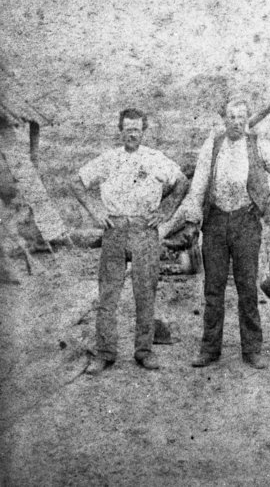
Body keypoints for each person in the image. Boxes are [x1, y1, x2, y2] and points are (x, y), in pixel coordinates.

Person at [71, 108, 188, 373]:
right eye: (127, 129)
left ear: (143, 131)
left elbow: (181, 182)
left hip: (144, 229)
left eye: (136, 129)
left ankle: (144, 351)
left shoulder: (156, 159)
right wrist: (95, 211)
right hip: (114, 229)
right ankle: (105, 352)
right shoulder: (108, 159)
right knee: (108, 294)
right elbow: (77, 182)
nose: (132, 134)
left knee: (145, 293)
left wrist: (166, 211)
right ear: (120, 130)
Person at [183, 98, 270, 369]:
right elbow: (199, 184)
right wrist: (194, 216)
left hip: (246, 221)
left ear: (247, 119)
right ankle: (209, 349)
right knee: (213, 288)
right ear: (224, 119)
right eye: (231, 117)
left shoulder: (257, 144)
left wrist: (267, 195)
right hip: (215, 220)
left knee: (247, 287)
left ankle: (252, 350)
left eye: (241, 117)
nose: (236, 122)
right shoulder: (213, 143)